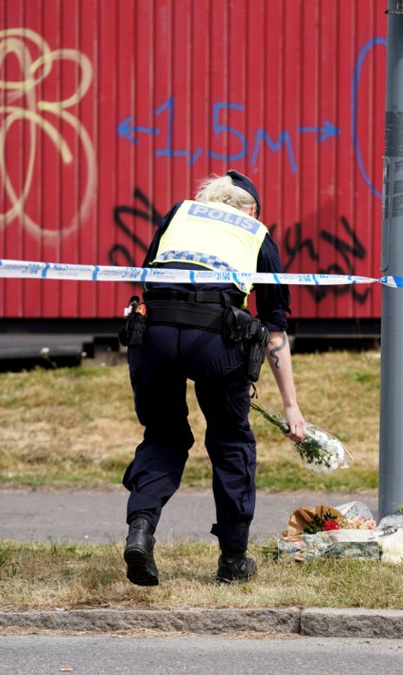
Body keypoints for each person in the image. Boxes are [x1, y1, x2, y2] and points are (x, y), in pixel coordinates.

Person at [120, 170, 306, 586]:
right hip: (218, 342)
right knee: (229, 441)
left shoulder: (180, 213)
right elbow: (274, 330)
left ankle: (141, 528)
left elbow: (150, 276)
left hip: (155, 335)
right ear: (252, 208)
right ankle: (233, 560)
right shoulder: (256, 232)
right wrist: (291, 407)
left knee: (163, 436)